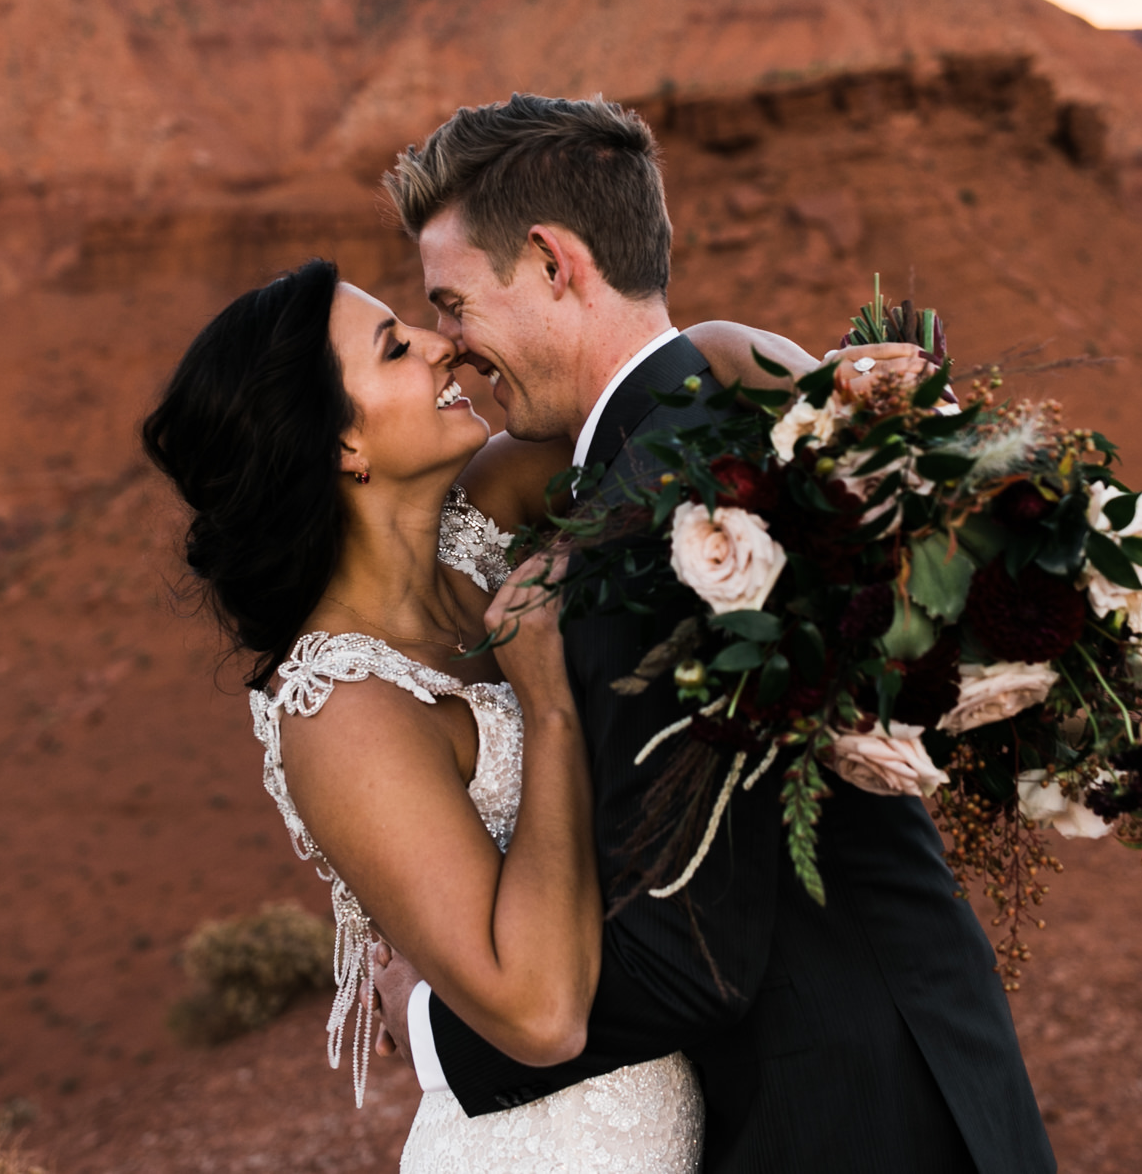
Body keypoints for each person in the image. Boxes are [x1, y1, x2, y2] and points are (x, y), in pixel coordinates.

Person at [367, 94, 1056, 1173]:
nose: (449, 346)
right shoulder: (727, 412)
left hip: (844, 1115)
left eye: (452, 300)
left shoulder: (637, 539)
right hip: (931, 1061)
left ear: (553, 261)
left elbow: (692, 963)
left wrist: (432, 1015)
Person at [143, 256, 825, 1170]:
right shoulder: (342, 709)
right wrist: (546, 705)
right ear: (342, 446)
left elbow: (684, 378)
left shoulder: (491, 517)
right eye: (395, 346)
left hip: (690, 1104)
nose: (443, 345)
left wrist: (851, 401)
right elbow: (539, 1012)